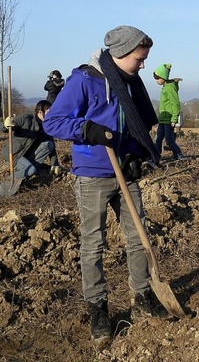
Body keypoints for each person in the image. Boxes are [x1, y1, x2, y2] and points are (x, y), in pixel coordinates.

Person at [43, 26, 164, 347]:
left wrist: (137, 155)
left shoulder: (130, 83)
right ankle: (98, 309)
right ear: (120, 54)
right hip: (93, 174)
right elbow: (52, 121)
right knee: (93, 244)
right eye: (139, 59)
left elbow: (139, 123)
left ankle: (143, 298)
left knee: (139, 237)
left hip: (125, 170)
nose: (142, 65)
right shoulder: (84, 80)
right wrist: (89, 129)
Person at [1, 100, 62, 183]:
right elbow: (4, 127)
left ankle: (27, 171)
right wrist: (5, 125)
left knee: (49, 144)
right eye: (49, 112)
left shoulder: (46, 127)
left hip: (27, 156)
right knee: (31, 170)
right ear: (40, 112)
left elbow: (52, 148)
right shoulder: (26, 119)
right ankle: (7, 181)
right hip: (14, 154)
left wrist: (55, 164)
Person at [153, 63, 183, 161]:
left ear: (163, 77)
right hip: (162, 119)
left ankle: (178, 154)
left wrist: (174, 119)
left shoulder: (169, 89)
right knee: (158, 139)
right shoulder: (165, 87)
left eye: (158, 78)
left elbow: (175, 104)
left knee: (169, 140)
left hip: (169, 120)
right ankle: (156, 156)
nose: (156, 81)